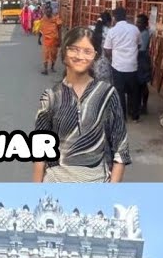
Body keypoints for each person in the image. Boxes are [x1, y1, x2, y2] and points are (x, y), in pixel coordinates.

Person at [33, 26, 131, 183]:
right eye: (74, 49)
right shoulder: (50, 97)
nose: (80, 56)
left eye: (87, 51)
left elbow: (121, 148)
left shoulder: (107, 94)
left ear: (95, 56)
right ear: (64, 52)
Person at [103, 7, 142, 121]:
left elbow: (107, 49)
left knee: (119, 91)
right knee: (133, 92)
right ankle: (135, 116)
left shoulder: (112, 31)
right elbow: (139, 45)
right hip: (132, 65)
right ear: (126, 16)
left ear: (114, 18)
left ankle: (122, 116)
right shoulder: (134, 29)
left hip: (118, 66)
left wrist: (112, 56)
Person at [136, 13, 153, 116]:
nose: (137, 24)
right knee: (140, 84)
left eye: (139, 22)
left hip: (142, 59)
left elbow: (140, 49)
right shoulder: (141, 32)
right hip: (141, 59)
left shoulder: (144, 34)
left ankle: (144, 106)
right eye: (137, 22)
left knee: (142, 84)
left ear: (145, 24)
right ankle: (141, 105)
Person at [38, 6, 63, 75]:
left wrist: (60, 41)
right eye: (46, 12)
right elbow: (41, 30)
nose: (48, 13)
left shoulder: (56, 19)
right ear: (45, 12)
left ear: (51, 12)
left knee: (54, 55)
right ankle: (45, 69)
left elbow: (60, 30)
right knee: (45, 55)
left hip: (55, 41)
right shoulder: (43, 19)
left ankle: (52, 67)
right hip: (46, 41)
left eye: (49, 12)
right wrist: (39, 39)